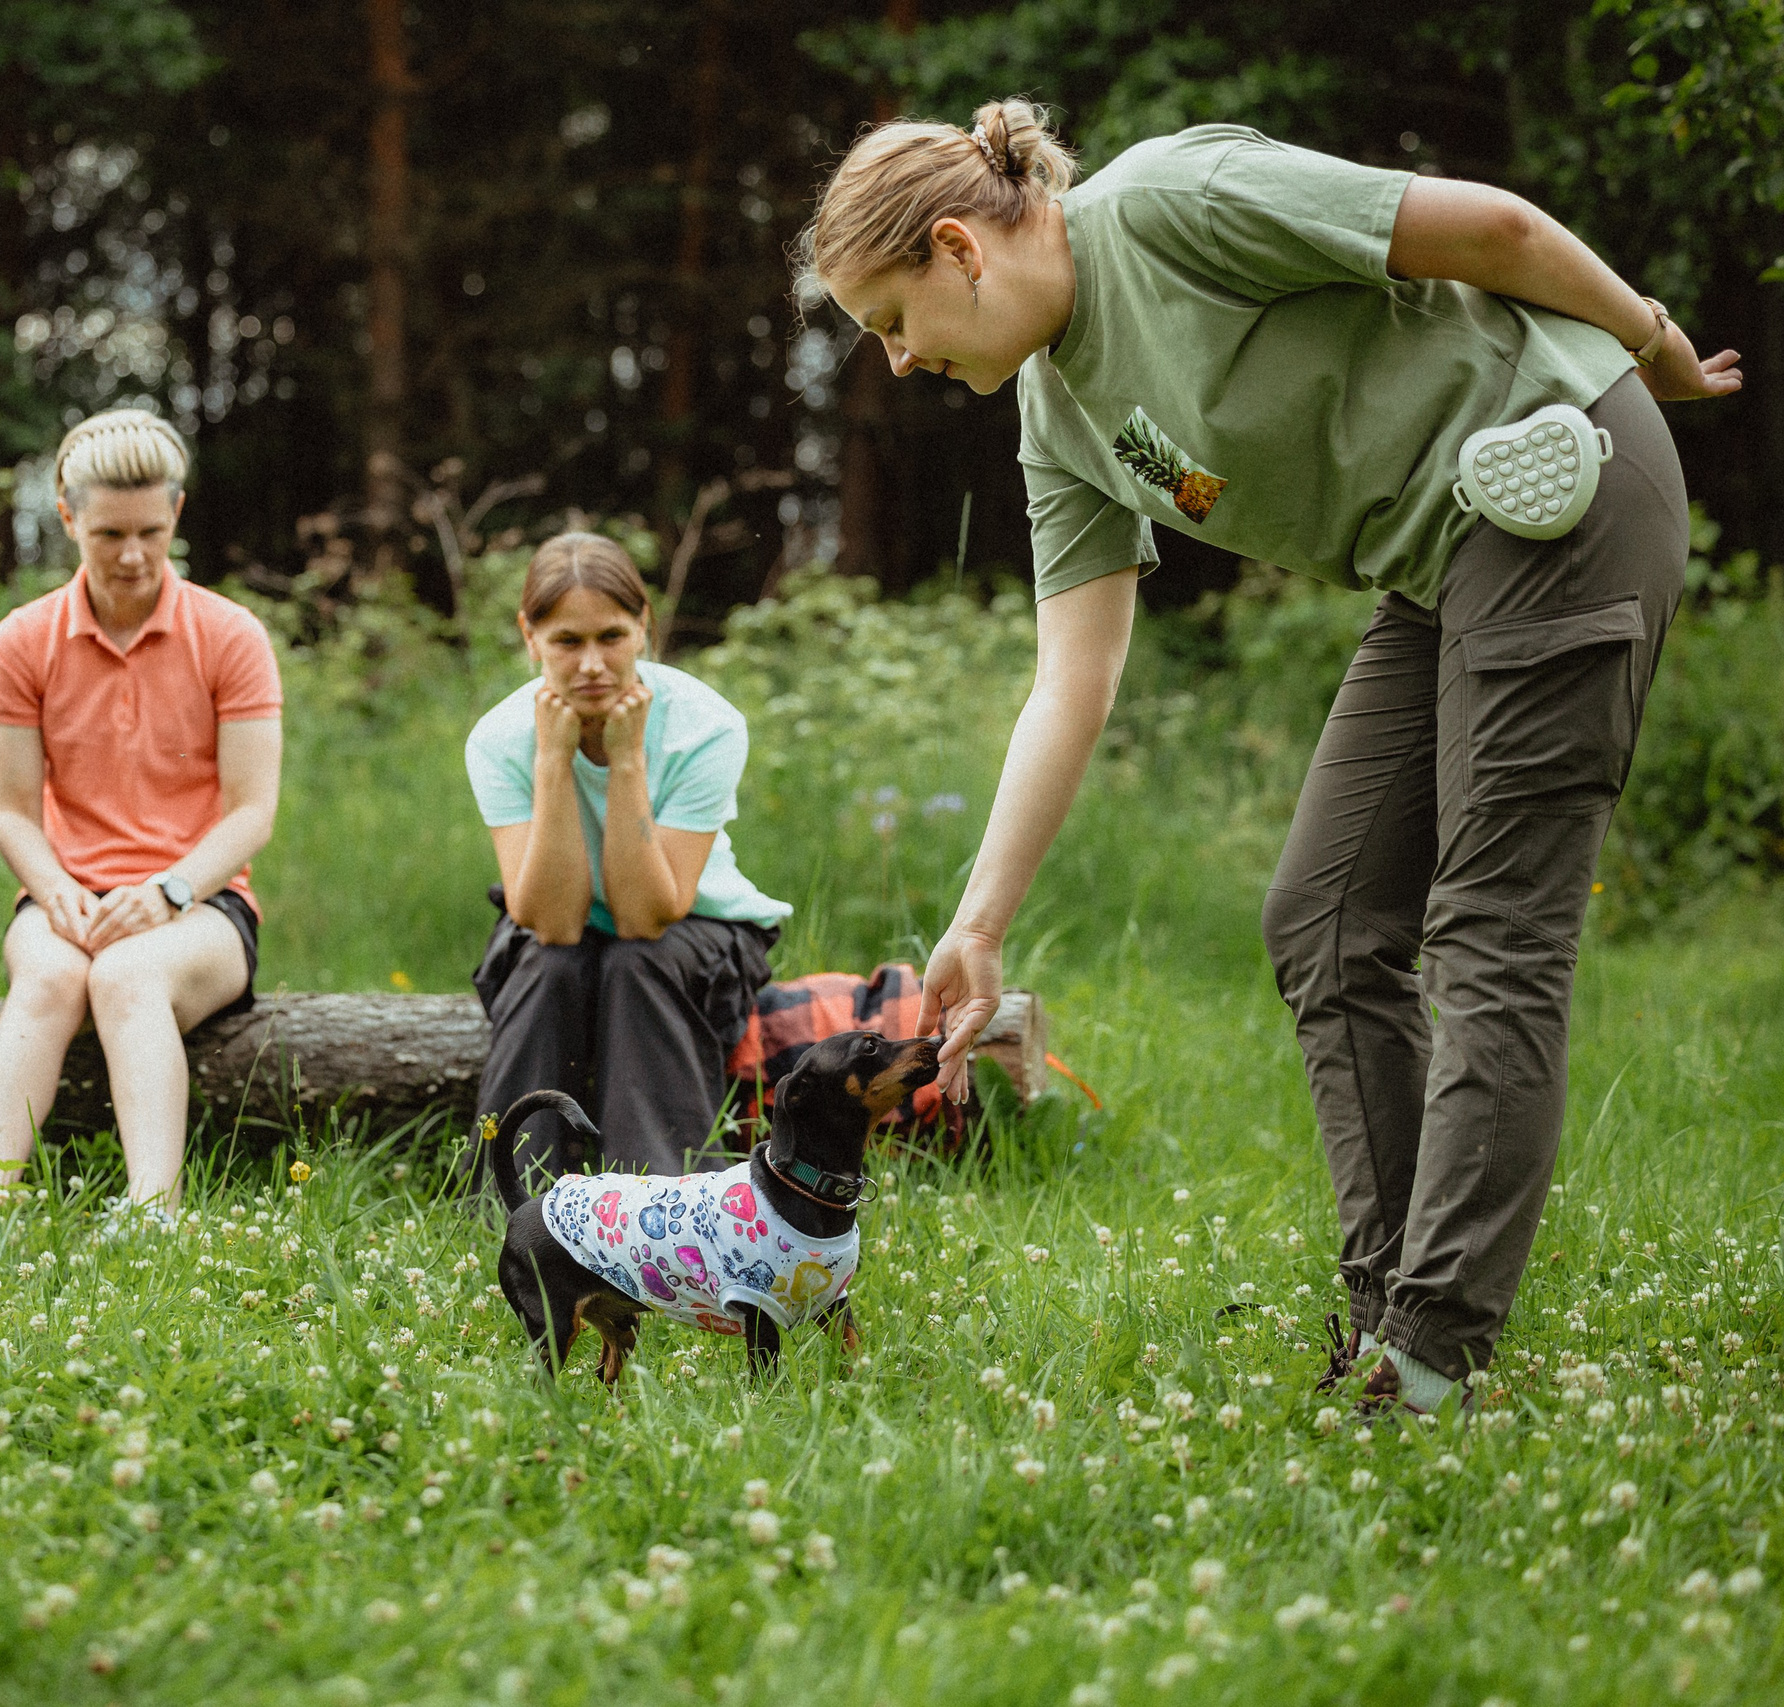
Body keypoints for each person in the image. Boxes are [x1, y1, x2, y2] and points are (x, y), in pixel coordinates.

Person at [801, 100, 1743, 1412]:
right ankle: (1385, 1312)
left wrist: (1648, 342)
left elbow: (1496, 228)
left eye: (891, 321)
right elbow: (1073, 679)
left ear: (959, 248)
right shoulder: (1057, 413)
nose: (895, 363)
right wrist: (980, 916)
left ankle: (1433, 1353)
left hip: (1559, 474)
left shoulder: (1171, 205)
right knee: (1327, 915)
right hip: (1439, 561)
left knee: (1492, 928)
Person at [0, 409, 282, 1218]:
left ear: (175, 512)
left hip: (204, 905)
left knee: (128, 974)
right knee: (50, 973)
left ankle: (152, 1213)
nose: (133, 555)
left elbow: (252, 812)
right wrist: (55, 888)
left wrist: (170, 891)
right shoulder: (21, 641)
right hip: (66, 896)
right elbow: (11, 809)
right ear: (68, 517)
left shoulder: (231, 635)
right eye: (108, 534)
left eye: (150, 530)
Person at [467, 532, 793, 1189]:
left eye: (611, 636)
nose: (592, 663)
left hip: (693, 929)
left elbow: (647, 914)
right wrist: (554, 761)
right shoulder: (499, 739)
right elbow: (552, 922)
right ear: (529, 636)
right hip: (561, 927)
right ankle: (517, 1206)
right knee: (551, 965)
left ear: (644, 626)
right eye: (566, 641)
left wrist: (628, 759)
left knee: (636, 961)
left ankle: (661, 1206)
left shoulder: (708, 725)